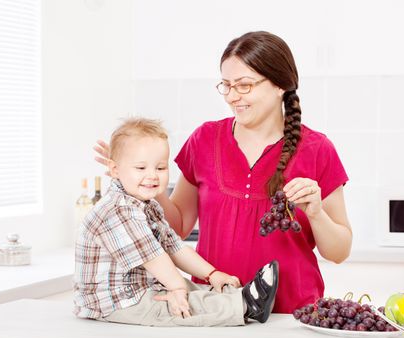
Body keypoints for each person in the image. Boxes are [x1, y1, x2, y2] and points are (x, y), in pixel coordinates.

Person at [94, 31, 352, 313]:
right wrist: (143, 182)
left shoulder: (318, 149)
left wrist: (316, 213)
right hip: (213, 309)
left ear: (280, 85)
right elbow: (178, 226)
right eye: (226, 85)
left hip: (292, 313)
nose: (232, 97)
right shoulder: (205, 139)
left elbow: (338, 252)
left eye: (244, 85)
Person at [76, 117, 279, 326]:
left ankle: (237, 295)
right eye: (141, 168)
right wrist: (177, 290)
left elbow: (175, 247)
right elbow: (155, 259)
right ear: (115, 170)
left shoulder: (148, 205)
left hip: (140, 288)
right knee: (178, 305)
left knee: (194, 288)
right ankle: (247, 306)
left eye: (161, 168)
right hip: (116, 301)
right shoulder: (118, 209)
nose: (152, 176)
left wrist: (211, 274)